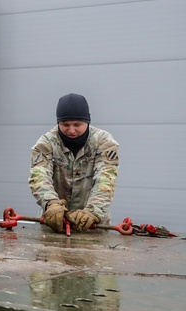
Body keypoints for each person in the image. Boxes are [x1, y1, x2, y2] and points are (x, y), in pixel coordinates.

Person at [29, 93, 119, 233]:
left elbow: (105, 180)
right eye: (65, 125)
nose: (71, 130)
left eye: (77, 124)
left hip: (93, 225)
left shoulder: (104, 143)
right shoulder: (46, 144)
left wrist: (92, 211)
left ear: (87, 122)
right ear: (58, 122)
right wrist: (51, 204)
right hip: (54, 223)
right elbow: (39, 176)